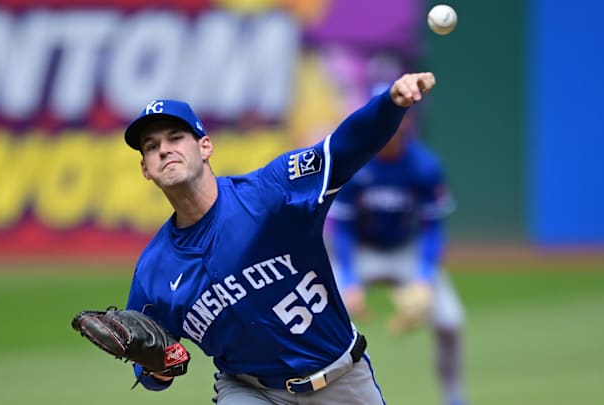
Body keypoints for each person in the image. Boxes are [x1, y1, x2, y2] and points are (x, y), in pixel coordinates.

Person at [120, 72, 436, 404]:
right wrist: (156, 367)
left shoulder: (271, 192)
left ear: (205, 146)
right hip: (249, 390)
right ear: (145, 168)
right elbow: (149, 365)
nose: (165, 151)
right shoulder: (152, 272)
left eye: (175, 138)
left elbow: (345, 147)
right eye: (152, 147)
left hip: (341, 378)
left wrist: (390, 104)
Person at [325, 104, 468, 405]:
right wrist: (349, 281)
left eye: (401, 124)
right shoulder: (355, 163)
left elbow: (433, 227)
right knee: (323, 321)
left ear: (408, 127)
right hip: (360, 252)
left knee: (451, 321)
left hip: (407, 251)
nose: (395, 130)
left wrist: (425, 277)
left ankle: (454, 398)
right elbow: (344, 230)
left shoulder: (424, 166)